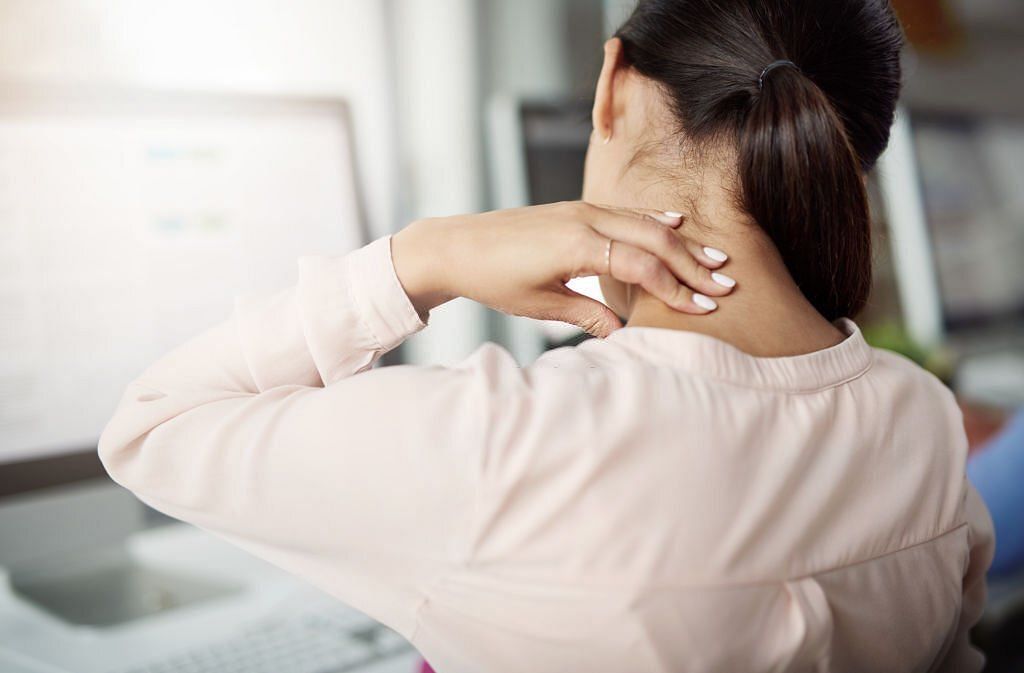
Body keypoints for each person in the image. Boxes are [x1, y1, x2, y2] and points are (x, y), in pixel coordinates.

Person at [98, 0, 994, 671]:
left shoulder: (508, 439)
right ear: (849, 159)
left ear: (612, 87)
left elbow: (150, 426)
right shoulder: (919, 420)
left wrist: (427, 255)